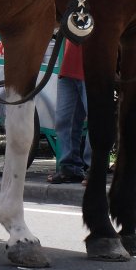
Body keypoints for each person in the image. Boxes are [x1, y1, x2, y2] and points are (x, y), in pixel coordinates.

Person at [47, 41, 91, 184]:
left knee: (96, 120)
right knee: (64, 120)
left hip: (93, 66)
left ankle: (94, 168)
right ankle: (70, 168)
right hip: (69, 65)